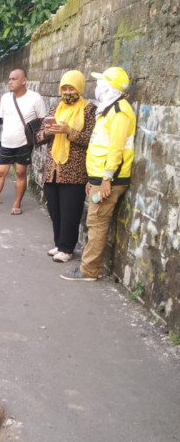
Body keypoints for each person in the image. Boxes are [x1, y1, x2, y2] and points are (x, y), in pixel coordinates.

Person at [61, 66, 135, 281]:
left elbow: (116, 149)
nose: (97, 87)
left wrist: (105, 180)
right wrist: (93, 180)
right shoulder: (108, 110)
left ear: (110, 87)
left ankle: (89, 270)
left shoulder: (120, 113)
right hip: (99, 178)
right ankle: (91, 267)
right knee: (94, 222)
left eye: (101, 83)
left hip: (109, 179)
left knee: (97, 224)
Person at [36, 70, 96, 262]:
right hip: (53, 169)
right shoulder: (55, 108)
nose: (67, 92)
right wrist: (47, 132)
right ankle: (58, 243)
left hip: (74, 170)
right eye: (64, 88)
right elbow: (39, 136)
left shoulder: (88, 110)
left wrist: (68, 131)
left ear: (79, 88)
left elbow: (90, 140)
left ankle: (67, 248)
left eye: (71, 88)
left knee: (70, 210)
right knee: (54, 208)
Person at [0, 67, 46, 215]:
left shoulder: (35, 98)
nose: (10, 82)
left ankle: (17, 204)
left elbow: (42, 120)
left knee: (20, 173)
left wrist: (34, 135)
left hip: (24, 144)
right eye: (9, 79)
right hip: (6, 143)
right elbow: (3, 119)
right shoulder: (6, 98)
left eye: (14, 79)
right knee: (0, 172)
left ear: (24, 81)